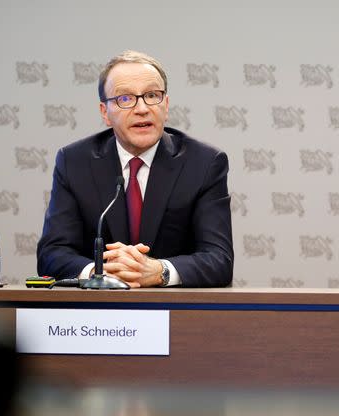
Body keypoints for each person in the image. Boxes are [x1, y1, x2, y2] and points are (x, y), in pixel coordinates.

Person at [37, 50, 233, 288]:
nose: (142, 108)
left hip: (176, 314)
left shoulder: (204, 163)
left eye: (152, 95)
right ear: (104, 113)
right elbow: (52, 253)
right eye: (125, 99)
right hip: (96, 314)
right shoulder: (74, 162)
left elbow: (219, 259)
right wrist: (100, 273)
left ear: (166, 105)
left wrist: (159, 271)